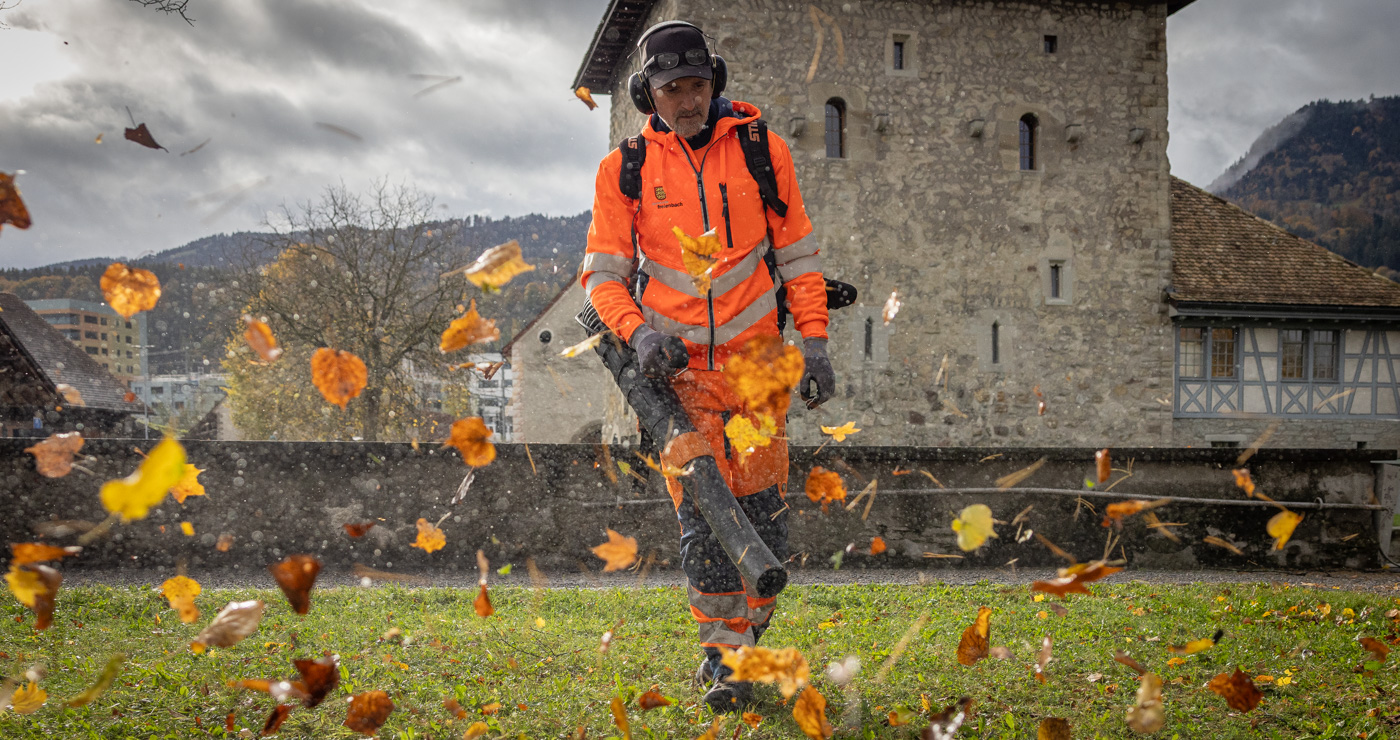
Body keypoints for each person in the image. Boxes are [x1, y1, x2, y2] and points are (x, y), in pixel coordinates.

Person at [579, 20, 835, 712]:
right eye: (672, 90)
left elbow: (798, 258)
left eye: (696, 86)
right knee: (707, 521)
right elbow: (602, 277)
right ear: (648, 95)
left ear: (714, 81)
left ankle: (749, 637)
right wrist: (637, 335)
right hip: (679, 377)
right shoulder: (624, 171)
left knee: (763, 520)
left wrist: (814, 342)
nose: (687, 101)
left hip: (759, 371)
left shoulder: (762, 151)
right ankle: (726, 661)